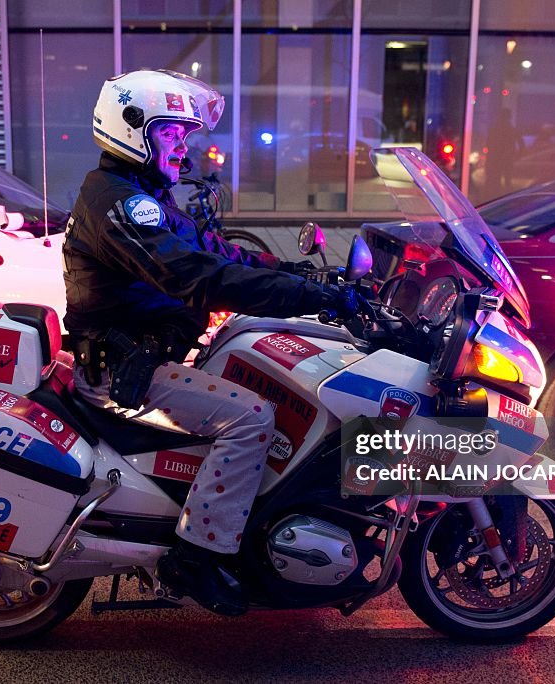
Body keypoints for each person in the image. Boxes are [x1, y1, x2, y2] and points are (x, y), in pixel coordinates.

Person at [62, 69, 355, 615]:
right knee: (251, 416)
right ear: (133, 131)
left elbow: (220, 254)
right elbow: (195, 275)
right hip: (124, 369)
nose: (184, 147)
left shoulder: (140, 194)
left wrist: (306, 278)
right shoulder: (120, 204)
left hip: (146, 354)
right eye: (173, 134)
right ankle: (196, 555)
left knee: (252, 351)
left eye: (185, 135)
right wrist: (302, 294)